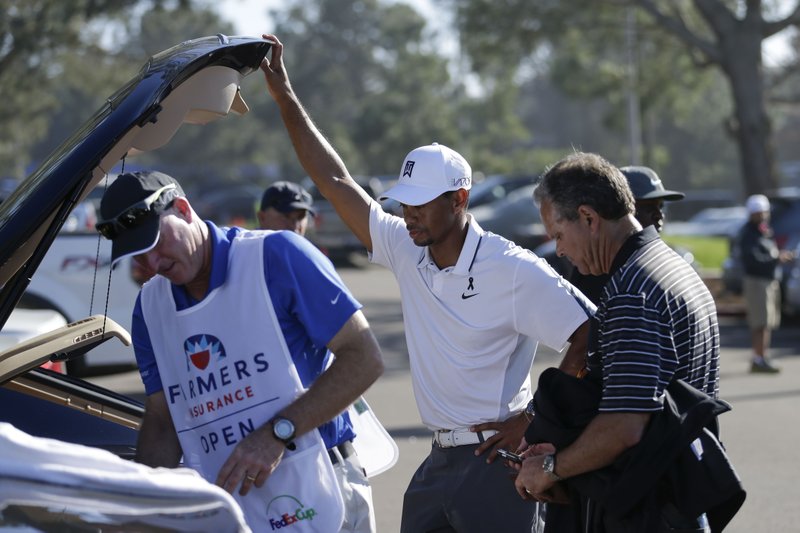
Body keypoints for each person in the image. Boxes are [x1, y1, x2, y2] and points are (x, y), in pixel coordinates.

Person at [260, 34, 596, 532]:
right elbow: (334, 181)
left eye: (422, 201)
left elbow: (592, 334)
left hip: (494, 466)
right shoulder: (404, 245)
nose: (408, 213)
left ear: (459, 199)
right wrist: (284, 91)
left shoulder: (513, 268)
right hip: (437, 461)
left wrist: (532, 420)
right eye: (404, 200)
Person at [95, 170, 384, 533]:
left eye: (156, 242)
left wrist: (277, 434)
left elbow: (364, 357)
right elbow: (162, 420)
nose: (153, 264)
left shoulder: (278, 256)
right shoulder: (150, 309)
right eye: (140, 255)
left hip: (320, 485)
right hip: (234, 506)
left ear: (183, 209)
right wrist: (143, 510)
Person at [516, 152, 743, 532]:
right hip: (681, 501)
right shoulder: (675, 269)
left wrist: (551, 469)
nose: (559, 250)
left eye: (558, 234)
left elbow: (626, 424)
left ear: (588, 218)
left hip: (649, 511)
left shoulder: (631, 291)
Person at [553, 165, 685, 304]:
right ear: (622, 207)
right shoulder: (596, 267)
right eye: (647, 207)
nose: (658, 214)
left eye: (660, 206)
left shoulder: (665, 261)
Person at [738, 194, 794, 373]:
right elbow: (753, 259)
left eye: (764, 212)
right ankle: (758, 358)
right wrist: (776, 258)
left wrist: (777, 257)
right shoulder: (748, 233)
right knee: (759, 322)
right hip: (757, 281)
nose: (762, 215)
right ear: (751, 213)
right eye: (758, 212)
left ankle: (763, 356)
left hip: (768, 280)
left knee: (767, 322)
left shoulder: (764, 230)